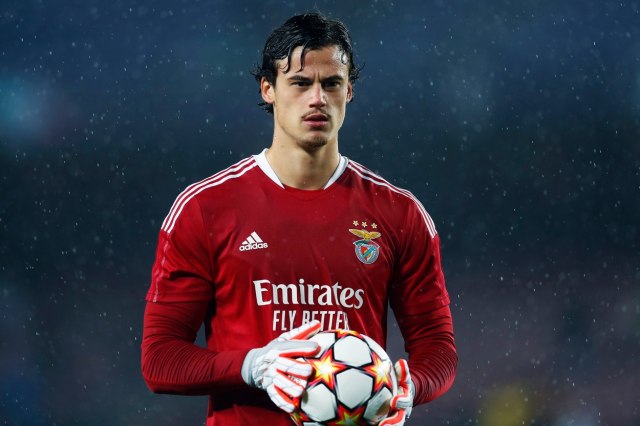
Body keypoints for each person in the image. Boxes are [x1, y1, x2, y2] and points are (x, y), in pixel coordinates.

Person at [141, 12, 457, 426]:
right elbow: (160, 359)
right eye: (301, 83)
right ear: (268, 89)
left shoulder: (400, 214)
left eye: (332, 83)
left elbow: (437, 348)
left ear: (349, 91)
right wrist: (252, 366)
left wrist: (408, 387)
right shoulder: (205, 208)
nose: (318, 98)